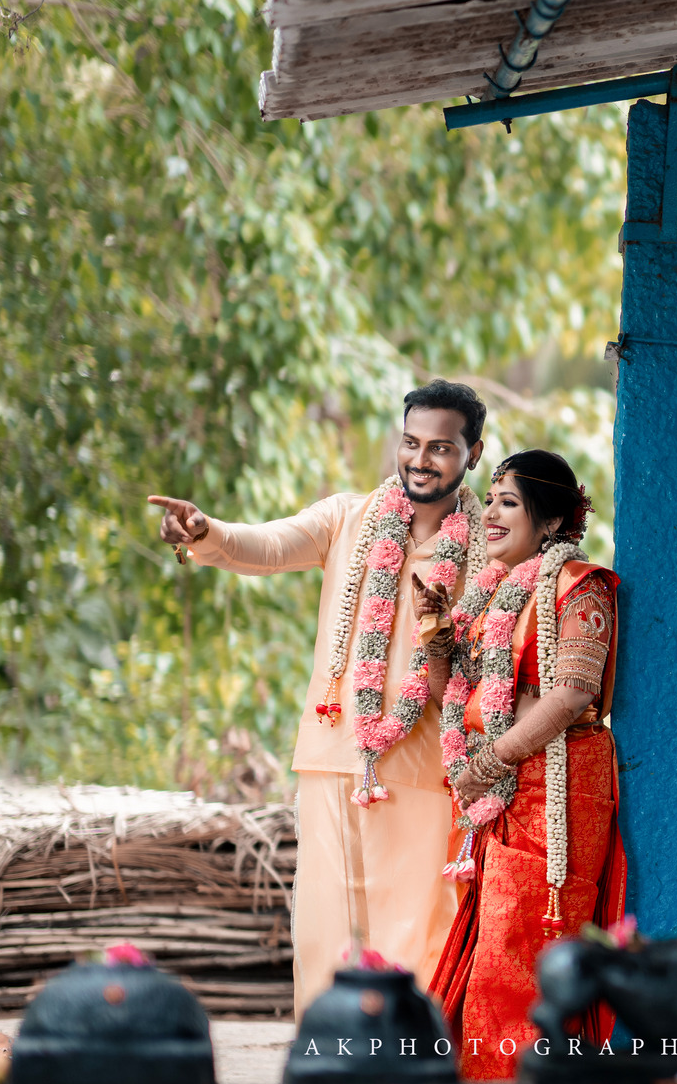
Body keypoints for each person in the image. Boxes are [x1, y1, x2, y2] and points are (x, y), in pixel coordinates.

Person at [147, 379, 488, 1017]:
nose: (419, 459)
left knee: (419, 925)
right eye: (410, 442)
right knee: (324, 928)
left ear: (473, 450)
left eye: (440, 447)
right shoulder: (346, 518)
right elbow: (269, 547)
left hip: (429, 765)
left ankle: (410, 1061)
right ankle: (326, 1056)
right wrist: (205, 531)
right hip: (334, 751)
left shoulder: (488, 544)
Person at [422, 449, 627, 1082]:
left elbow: (572, 694)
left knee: (523, 954)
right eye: (490, 500)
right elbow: (452, 696)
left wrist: (491, 760)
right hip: (504, 792)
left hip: (560, 788)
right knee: (490, 948)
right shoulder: (492, 598)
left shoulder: (579, 587)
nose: (488, 513)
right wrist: (434, 636)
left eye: (507, 502)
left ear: (551, 523)